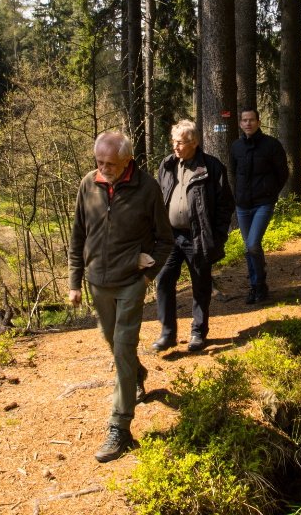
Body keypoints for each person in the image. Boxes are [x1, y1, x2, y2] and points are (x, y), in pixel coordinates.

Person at [68, 130, 174, 463]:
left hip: (130, 283)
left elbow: (165, 240)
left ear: (127, 159)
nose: (103, 168)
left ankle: (120, 427)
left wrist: (145, 274)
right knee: (111, 342)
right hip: (97, 282)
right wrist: (74, 282)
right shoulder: (88, 184)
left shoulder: (147, 189)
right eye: (99, 162)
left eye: (109, 163)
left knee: (123, 347)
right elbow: (77, 235)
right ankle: (137, 375)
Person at [153, 120, 234, 353]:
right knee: (164, 279)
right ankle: (167, 333)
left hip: (197, 237)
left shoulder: (211, 167)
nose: (175, 147)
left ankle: (198, 331)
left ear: (194, 143)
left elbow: (225, 205)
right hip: (170, 236)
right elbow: (160, 198)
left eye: (180, 142)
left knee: (200, 283)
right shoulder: (167, 165)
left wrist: (217, 236)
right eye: (173, 142)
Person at [230, 107, 289, 305]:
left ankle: (259, 283)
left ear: (258, 122)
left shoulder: (271, 145)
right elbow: (234, 172)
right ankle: (256, 286)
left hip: (263, 203)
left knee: (253, 243)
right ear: (240, 123)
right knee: (249, 248)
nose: (248, 123)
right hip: (243, 205)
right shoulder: (236, 146)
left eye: (251, 120)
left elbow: (283, 173)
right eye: (244, 120)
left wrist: (270, 193)